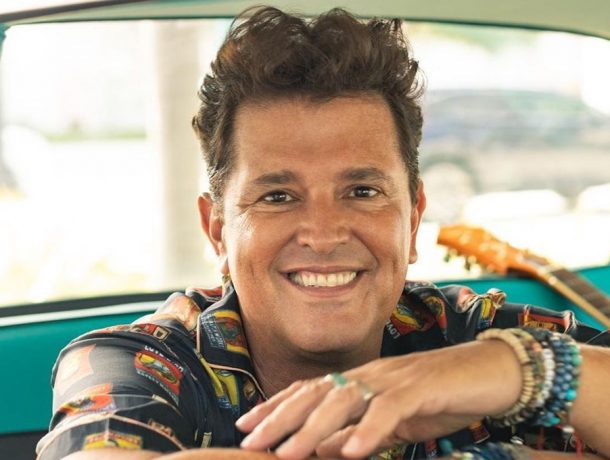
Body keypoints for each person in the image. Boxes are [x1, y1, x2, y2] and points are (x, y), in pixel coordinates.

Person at [36, 6, 610, 460]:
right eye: (277, 197)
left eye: (361, 191)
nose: (324, 233)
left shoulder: (482, 335)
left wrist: (535, 370)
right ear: (218, 231)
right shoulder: (138, 360)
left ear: (413, 219)